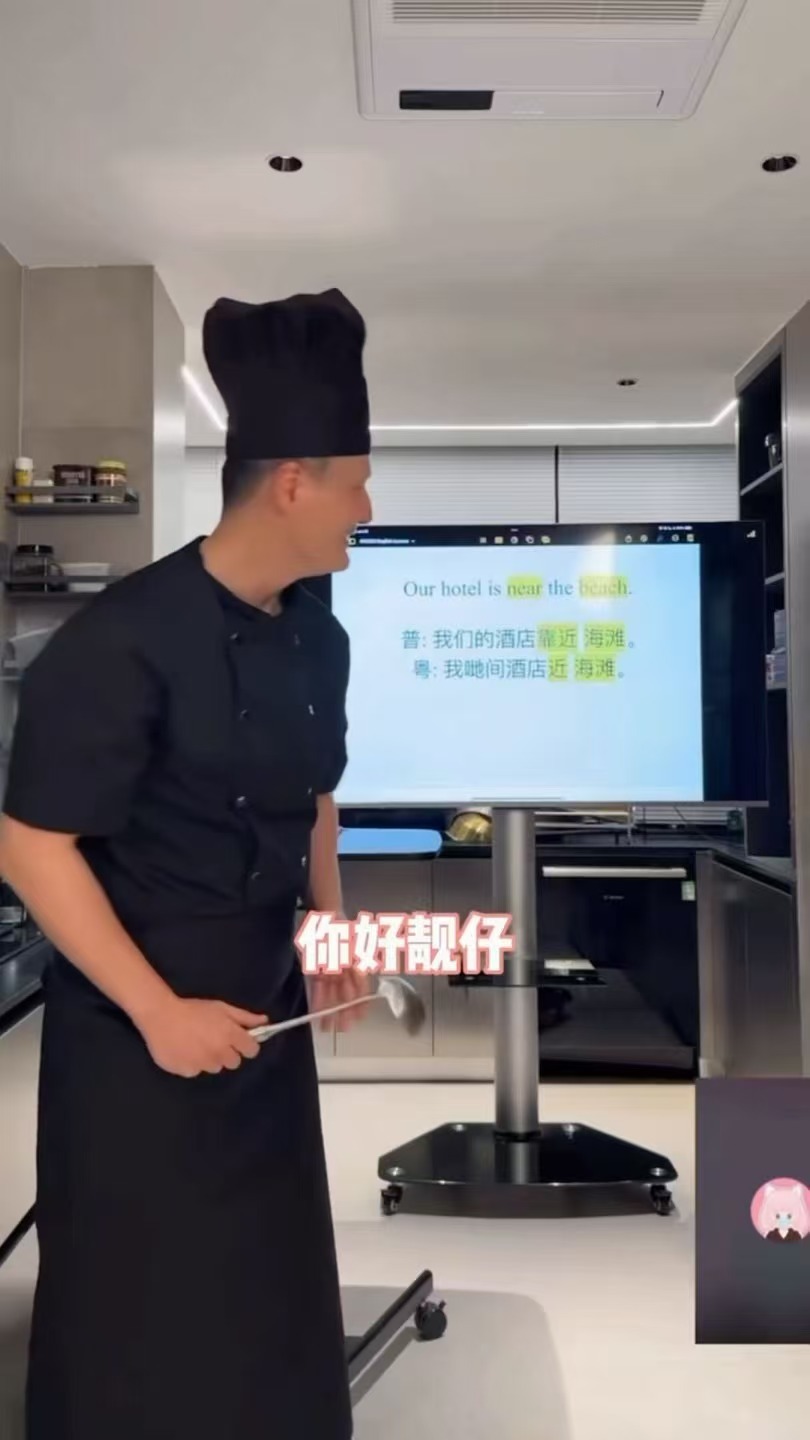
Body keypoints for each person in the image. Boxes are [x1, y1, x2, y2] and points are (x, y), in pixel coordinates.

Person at [0, 287, 374, 1440]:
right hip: (135, 1027)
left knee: (268, 1285)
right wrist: (159, 1011)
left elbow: (316, 798)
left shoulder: (319, 632)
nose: (369, 509)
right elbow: (31, 845)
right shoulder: (117, 641)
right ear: (293, 482)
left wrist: (331, 930)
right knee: (142, 1309)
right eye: (358, 483)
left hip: (263, 1010)